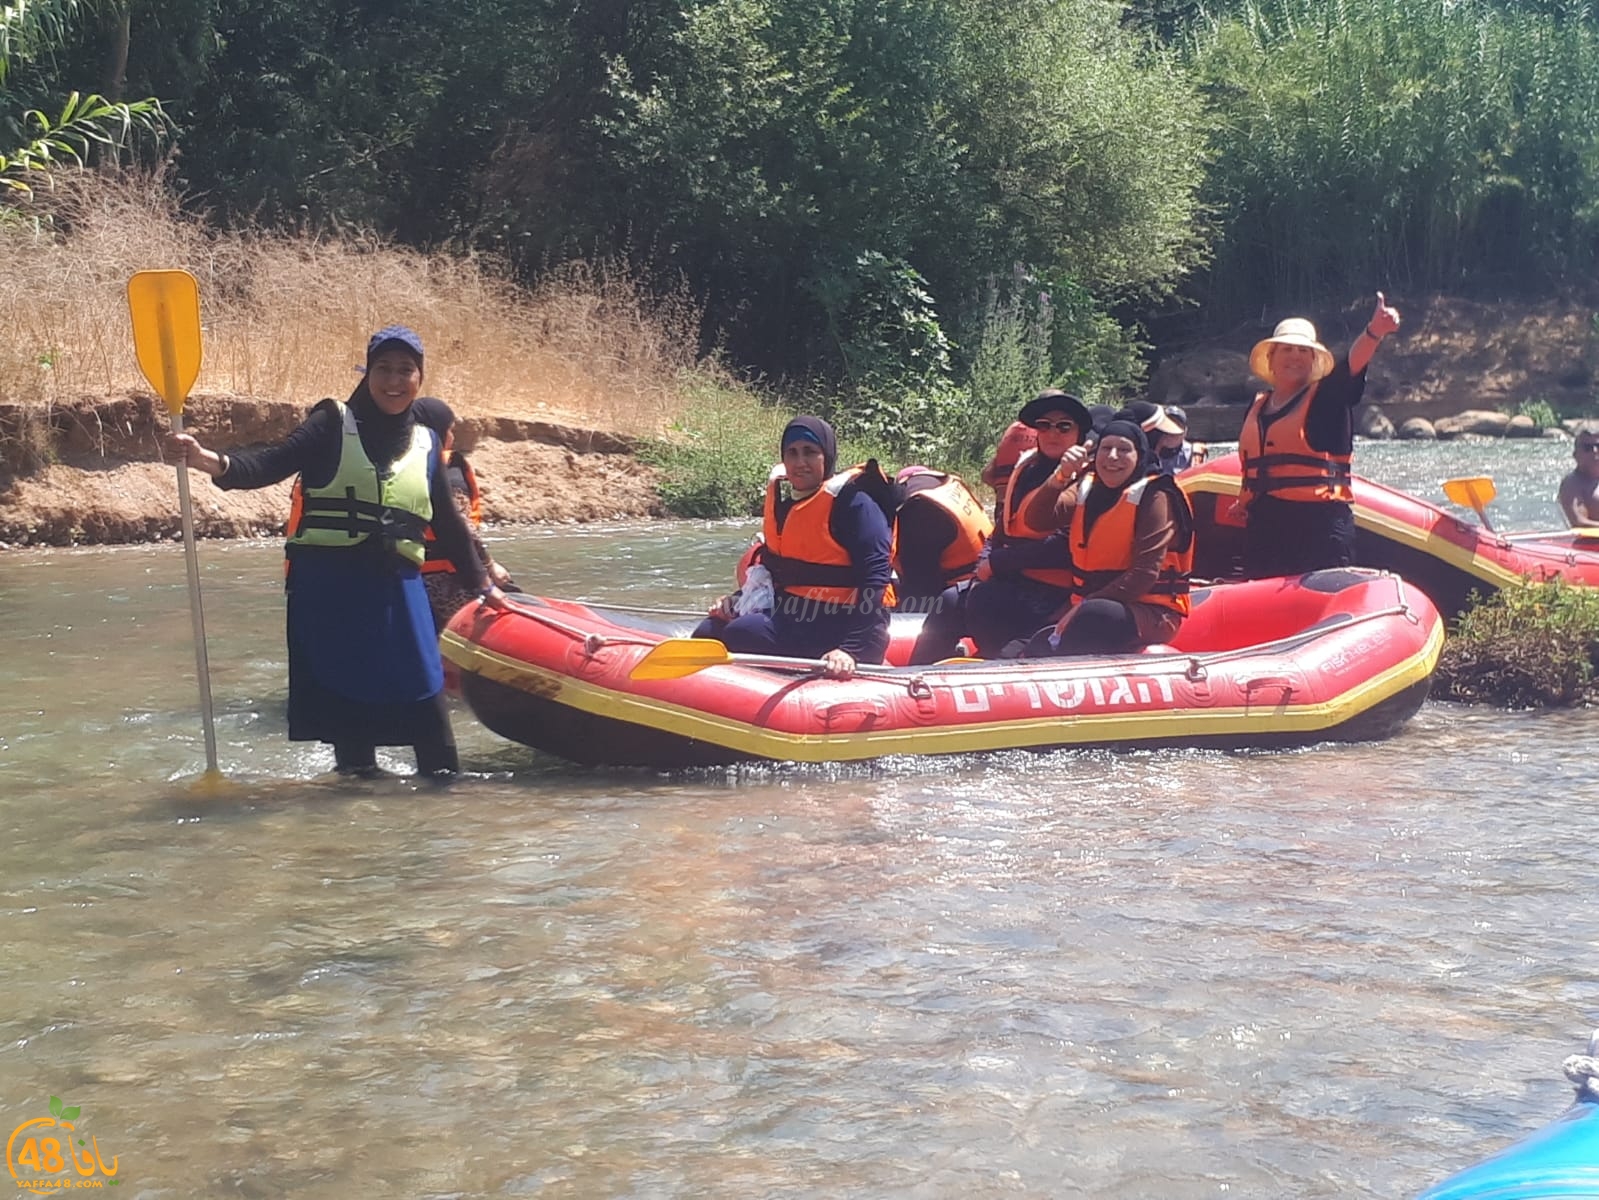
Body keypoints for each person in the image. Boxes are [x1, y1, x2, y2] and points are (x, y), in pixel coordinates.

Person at [167, 326, 508, 776]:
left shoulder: (427, 443)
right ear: (367, 373)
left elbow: (447, 526)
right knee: (353, 728)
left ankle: (438, 814)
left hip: (399, 594)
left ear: (419, 378)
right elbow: (270, 462)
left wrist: (483, 586)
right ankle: (355, 808)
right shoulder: (331, 422)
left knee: (432, 725)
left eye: (406, 370)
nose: (394, 380)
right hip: (333, 592)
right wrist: (206, 460)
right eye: (383, 368)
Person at [694, 416, 894, 680]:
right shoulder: (788, 506)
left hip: (850, 629)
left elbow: (876, 580)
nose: (800, 463)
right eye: (792, 453)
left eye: (810, 452)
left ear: (827, 456)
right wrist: (737, 598)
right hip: (799, 618)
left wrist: (850, 650)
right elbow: (776, 569)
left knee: (742, 633)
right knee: (709, 631)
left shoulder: (855, 505)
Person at [909, 390, 1093, 663]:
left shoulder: (1088, 482)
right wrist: (985, 563)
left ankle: (997, 663)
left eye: (1064, 426)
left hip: (1051, 596)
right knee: (950, 602)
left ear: (1079, 435)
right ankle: (916, 683)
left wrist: (997, 563)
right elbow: (1004, 527)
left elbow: (1064, 546)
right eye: (1044, 425)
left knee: (991, 605)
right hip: (1011, 580)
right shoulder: (1028, 468)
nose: (1053, 433)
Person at [1231, 293, 1401, 577]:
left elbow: (1351, 367)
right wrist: (1244, 500)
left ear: (1313, 361)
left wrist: (1375, 332)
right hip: (1266, 523)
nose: (1295, 357)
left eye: (1303, 352)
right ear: (1272, 360)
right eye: (1287, 350)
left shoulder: (1326, 398)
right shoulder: (1257, 404)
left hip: (1319, 526)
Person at [1019, 417, 1194, 656]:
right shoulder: (1088, 486)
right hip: (1091, 603)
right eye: (1106, 448)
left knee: (1095, 615)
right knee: (1036, 630)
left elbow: (1144, 575)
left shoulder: (1156, 497)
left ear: (1139, 456)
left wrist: (1083, 606)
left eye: (1123, 450)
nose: (1112, 457)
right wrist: (1061, 475)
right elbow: (1036, 520)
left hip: (1151, 612)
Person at [408, 396, 520, 630]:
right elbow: (461, 530)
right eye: (449, 430)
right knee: (512, 598)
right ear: (437, 431)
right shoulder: (451, 471)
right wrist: (490, 569)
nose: (453, 436)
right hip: (449, 581)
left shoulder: (401, 465)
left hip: (409, 581)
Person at [891, 465, 993, 612]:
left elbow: (921, 594)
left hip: (963, 597)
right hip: (985, 578)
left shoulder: (917, 514)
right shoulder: (947, 486)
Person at [979, 421, 1038, 523]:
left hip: (1002, 506)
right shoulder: (1045, 435)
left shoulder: (1012, 431)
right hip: (1028, 508)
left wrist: (1003, 487)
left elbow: (986, 475)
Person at [1559, 422, 1599, 528]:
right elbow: (1579, 522)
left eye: (1598, 446)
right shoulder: (1572, 484)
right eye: (1587, 448)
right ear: (1576, 455)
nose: (1595, 451)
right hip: (1589, 543)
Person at [1154, 405, 1207, 473]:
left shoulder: (1195, 454)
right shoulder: (1148, 453)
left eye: (1177, 425)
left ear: (1185, 432)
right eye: (1168, 425)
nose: (1171, 430)